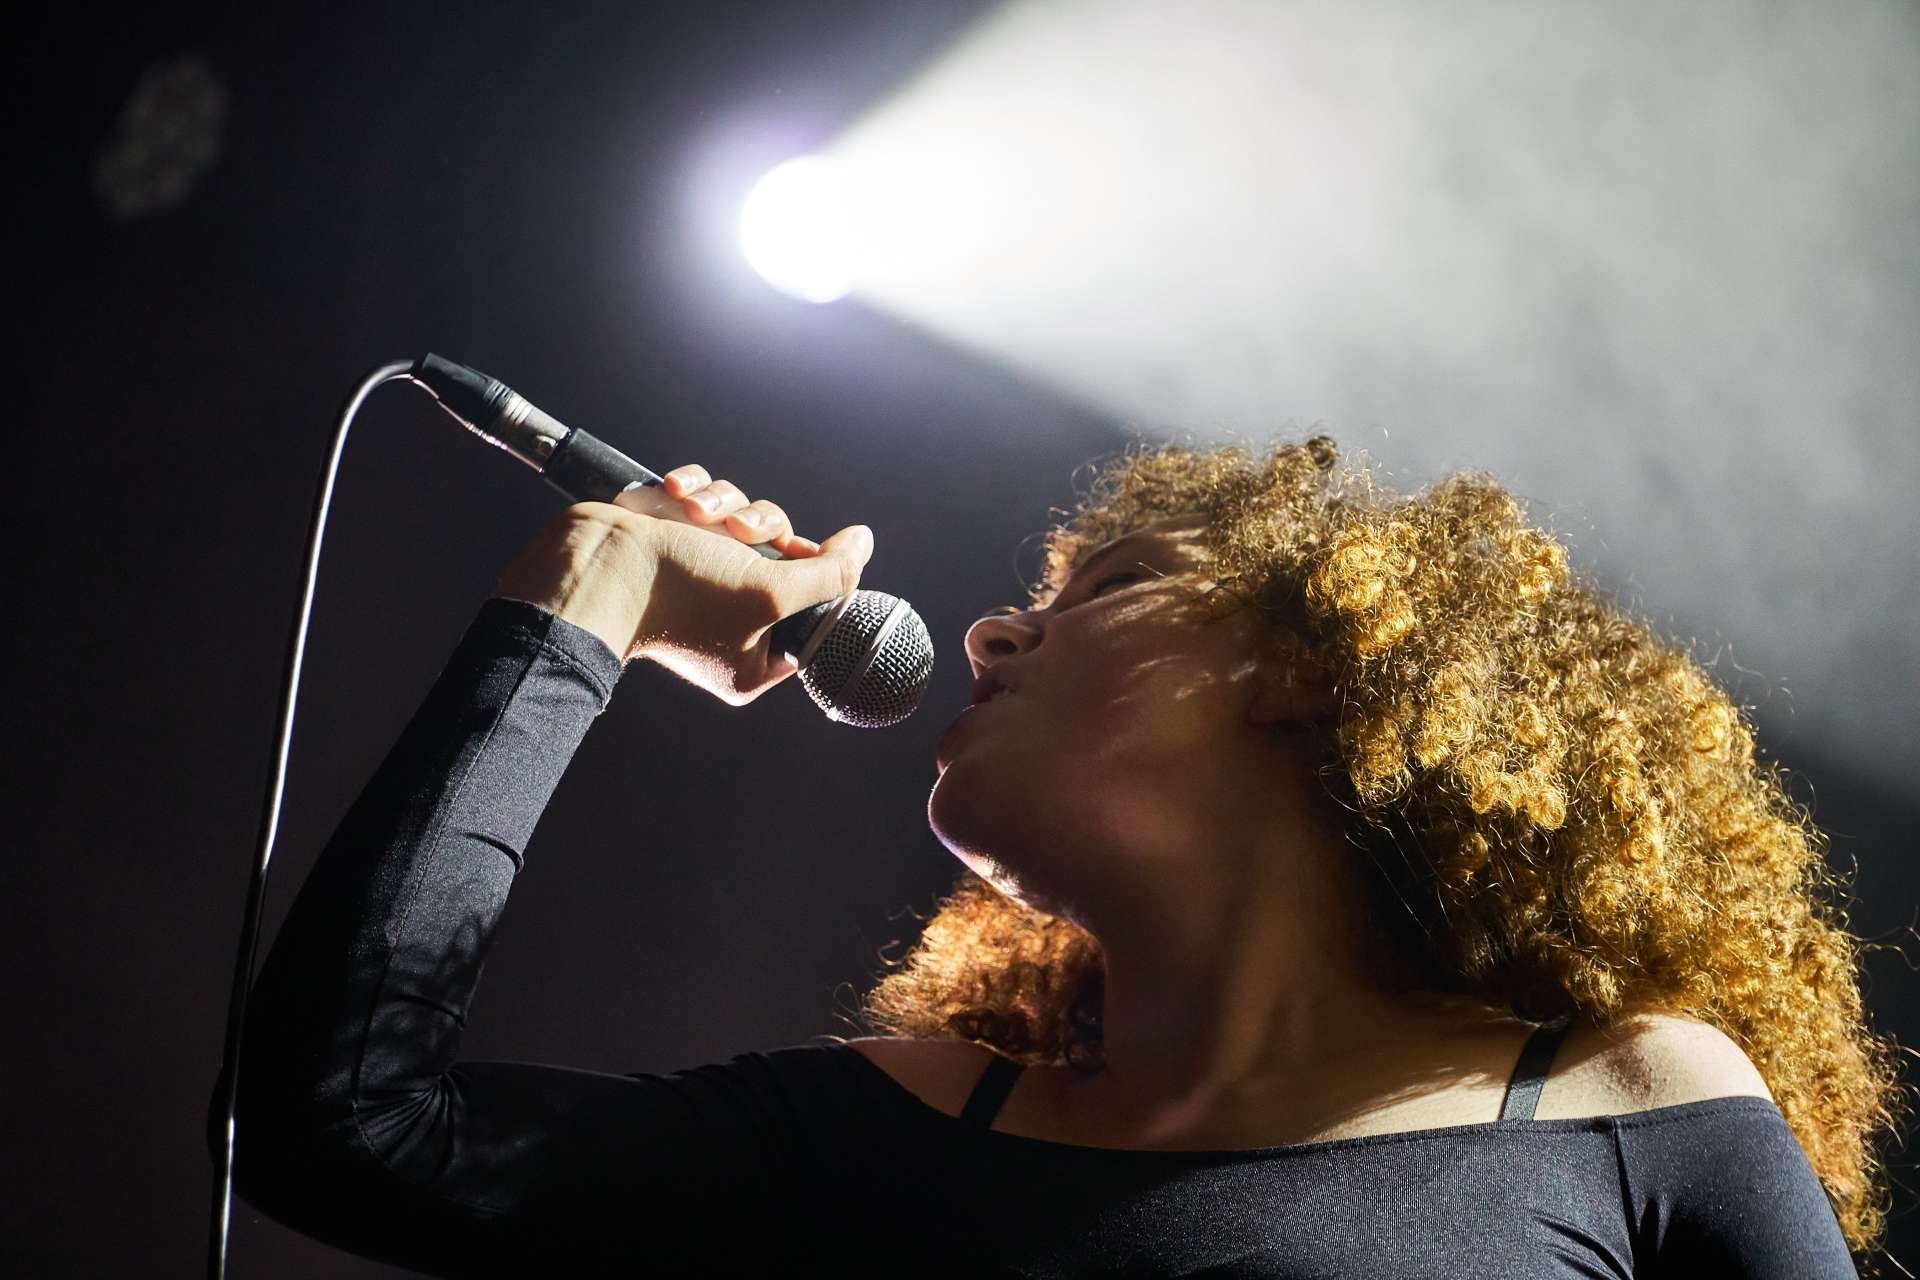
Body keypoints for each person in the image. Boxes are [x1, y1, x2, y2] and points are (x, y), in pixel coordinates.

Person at [221, 438, 1900, 1277]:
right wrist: (589, 589)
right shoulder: (892, 1133)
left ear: (1313, 668)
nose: (992, 629)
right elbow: (346, 1129)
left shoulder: (1629, 1109)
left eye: (1108, 585)